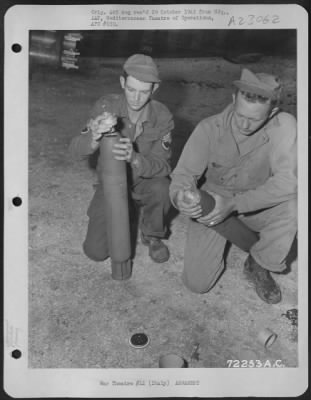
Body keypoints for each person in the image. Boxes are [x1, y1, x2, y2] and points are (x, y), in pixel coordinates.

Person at [169, 68, 297, 304]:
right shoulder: (209, 128)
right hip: (214, 203)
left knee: (295, 206)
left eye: (255, 119)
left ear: (272, 112)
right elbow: (183, 174)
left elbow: (289, 182)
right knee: (197, 284)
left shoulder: (285, 125)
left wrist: (235, 204)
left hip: (256, 201)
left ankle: (259, 264)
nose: (245, 125)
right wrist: (180, 198)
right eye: (240, 115)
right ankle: (234, 238)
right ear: (233, 100)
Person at [70, 54, 174, 264]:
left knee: (163, 187)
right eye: (131, 89)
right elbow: (75, 150)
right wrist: (94, 136)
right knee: (96, 253)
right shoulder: (105, 107)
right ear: (122, 82)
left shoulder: (163, 116)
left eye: (144, 92)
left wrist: (135, 158)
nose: (136, 98)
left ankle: (152, 234)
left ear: (154, 90)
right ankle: (126, 210)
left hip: (144, 181)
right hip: (110, 183)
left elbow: (163, 166)